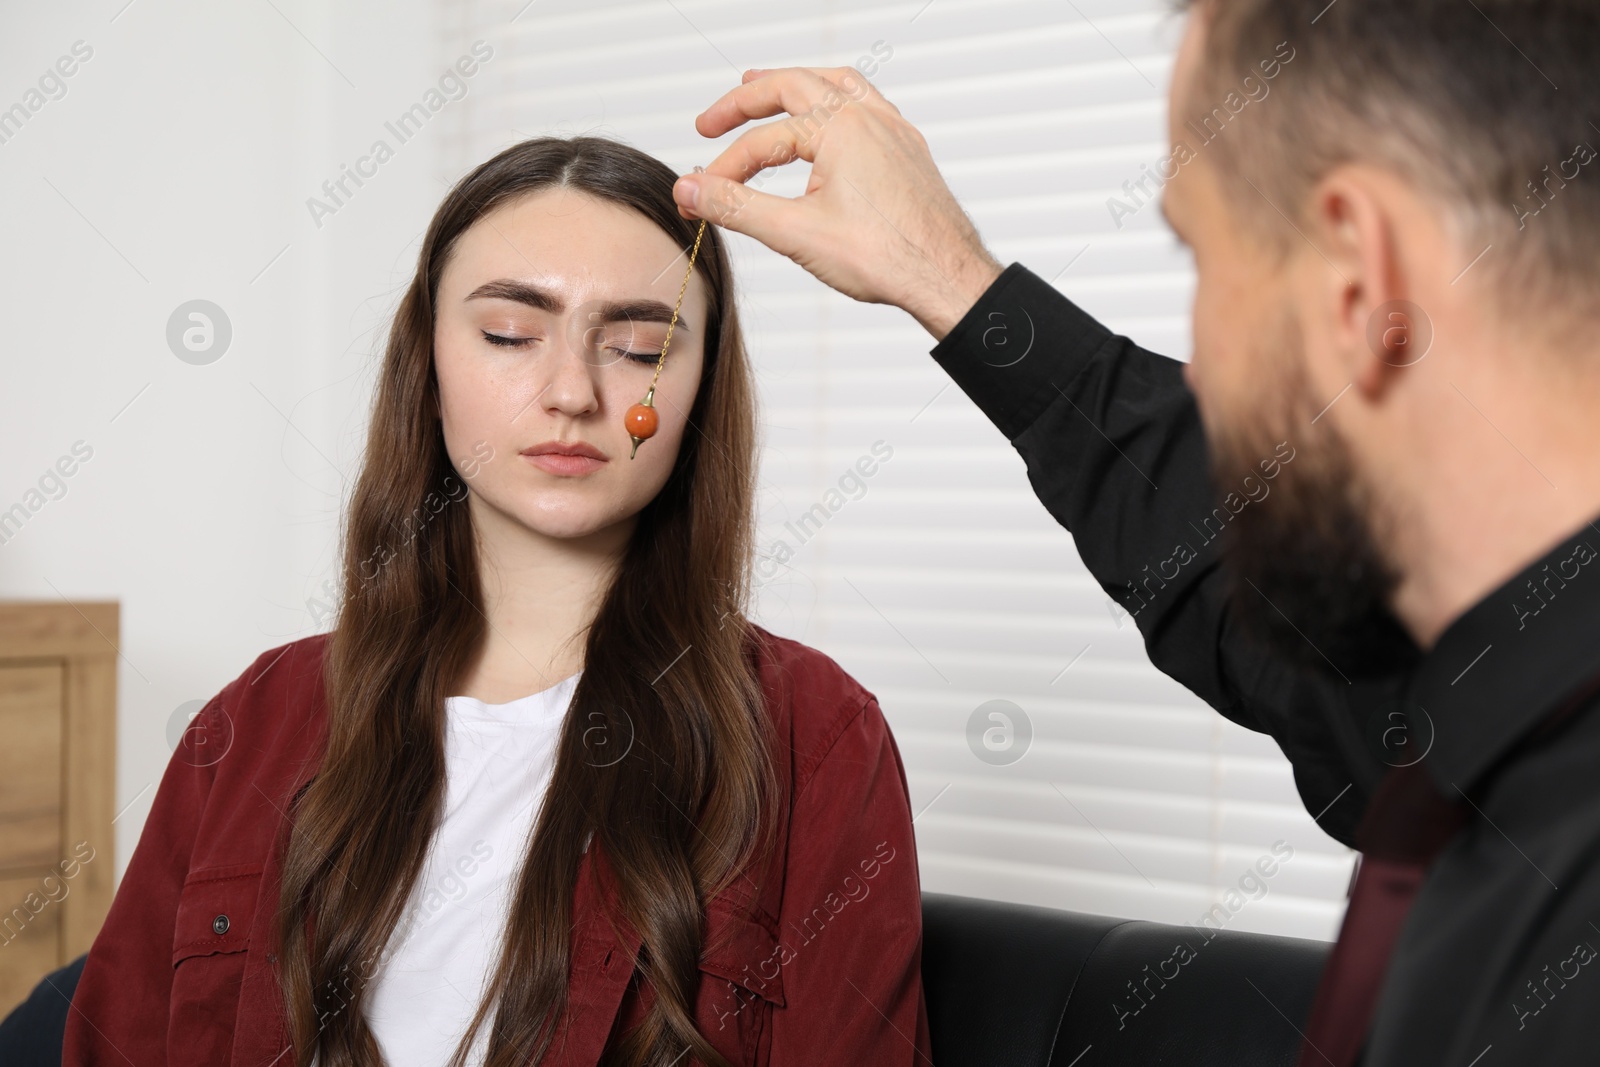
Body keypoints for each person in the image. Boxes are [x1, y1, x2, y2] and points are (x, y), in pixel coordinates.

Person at [666, 1, 1600, 1064]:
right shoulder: (1487, 714)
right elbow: (1254, 601)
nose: (1198, 368)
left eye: (1202, 256)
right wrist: (957, 287)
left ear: (1359, 278)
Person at [62, 136, 931, 1067]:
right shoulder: (253, 721)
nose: (571, 392)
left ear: (701, 388)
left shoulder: (817, 737)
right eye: (510, 335)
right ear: (427, 365)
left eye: (637, 346)